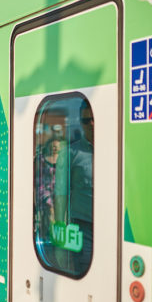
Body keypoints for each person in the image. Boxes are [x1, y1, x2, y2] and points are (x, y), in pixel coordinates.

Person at [54, 100, 94, 273]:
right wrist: (60, 242)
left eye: (94, 118)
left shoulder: (116, 149)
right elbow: (60, 195)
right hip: (83, 229)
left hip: (111, 227)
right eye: (86, 120)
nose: (91, 123)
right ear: (80, 123)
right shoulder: (70, 153)